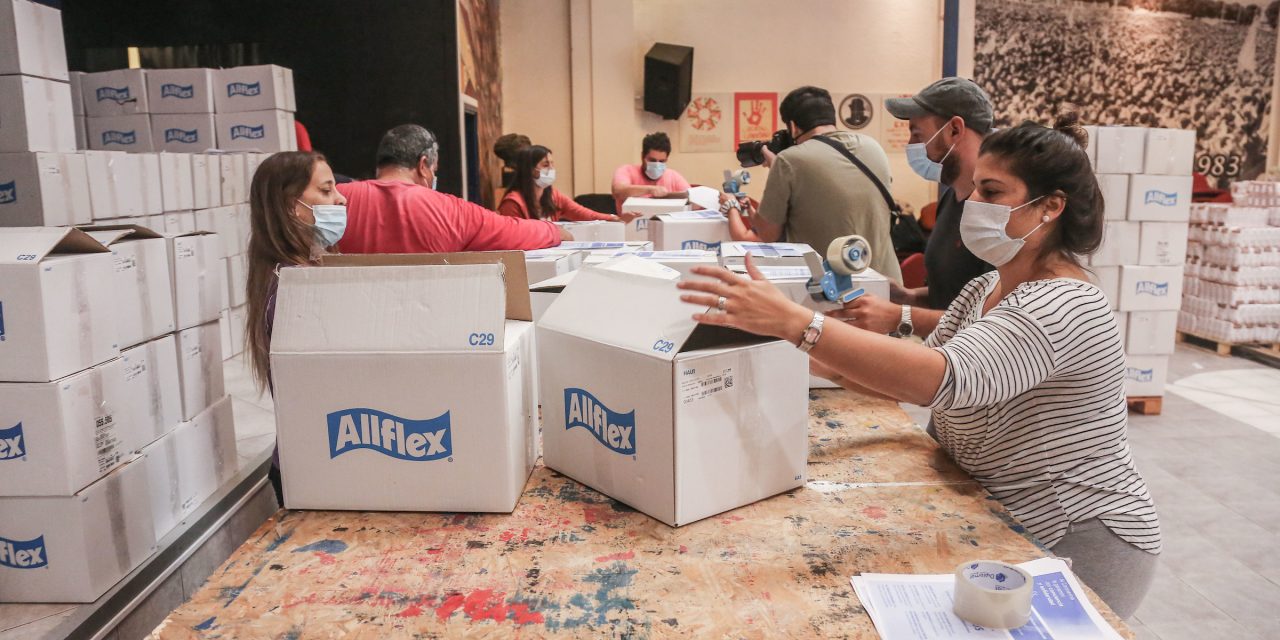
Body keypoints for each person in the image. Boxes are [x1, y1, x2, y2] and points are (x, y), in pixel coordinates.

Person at [678, 109, 1160, 619]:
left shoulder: (1063, 304)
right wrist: (786, 344)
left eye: (993, 193)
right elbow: (908, 373)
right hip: (1001, 514)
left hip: (1076, 530)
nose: (973, 203)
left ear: (1051, 207)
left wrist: (799, 325)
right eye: (975, 189)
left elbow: (941, 379)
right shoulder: (984, 288)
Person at [835, 78, 996, 338]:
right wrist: (907, 297)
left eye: (917, 134)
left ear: (955, 130)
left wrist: (898, 317)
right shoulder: (950, 200)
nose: (910, 144)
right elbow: (950, 294)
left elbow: (989, 318)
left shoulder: (996, 212)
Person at [243, 150, 348, 504]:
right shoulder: (292, 286)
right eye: (326, 190)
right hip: (314, 463)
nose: (340, 198)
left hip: (320, 455)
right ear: (292, 207)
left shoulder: (302, 271)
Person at [336, 124, 571, 254]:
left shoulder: (337, 199)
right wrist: (553, 231)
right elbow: (514, 231)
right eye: (434, 169)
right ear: (423, 165)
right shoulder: (450, 210)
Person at [751, 86, 903, 283]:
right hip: (886, 284)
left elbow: (769, 234)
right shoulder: (873, 146)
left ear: (793, 126)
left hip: (835, 290)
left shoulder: (788, 161)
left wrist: (775, 171)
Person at [498, 145, 640, 223]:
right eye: (546, 165)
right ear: (530, 169)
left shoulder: (552, 195)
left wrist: (616, 218)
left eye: (552, 164)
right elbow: (512, 238)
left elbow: (584, 214)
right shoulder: (513, 203)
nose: (551, 169)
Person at [611, 132, 691, 214]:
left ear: (666, 159)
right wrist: (650, 190)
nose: (657, 165)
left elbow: (692, 197)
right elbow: (618, 191)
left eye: (661, 161)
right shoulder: (627, 170)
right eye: (652, 160)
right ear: (642, 157)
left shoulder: (673, 176)